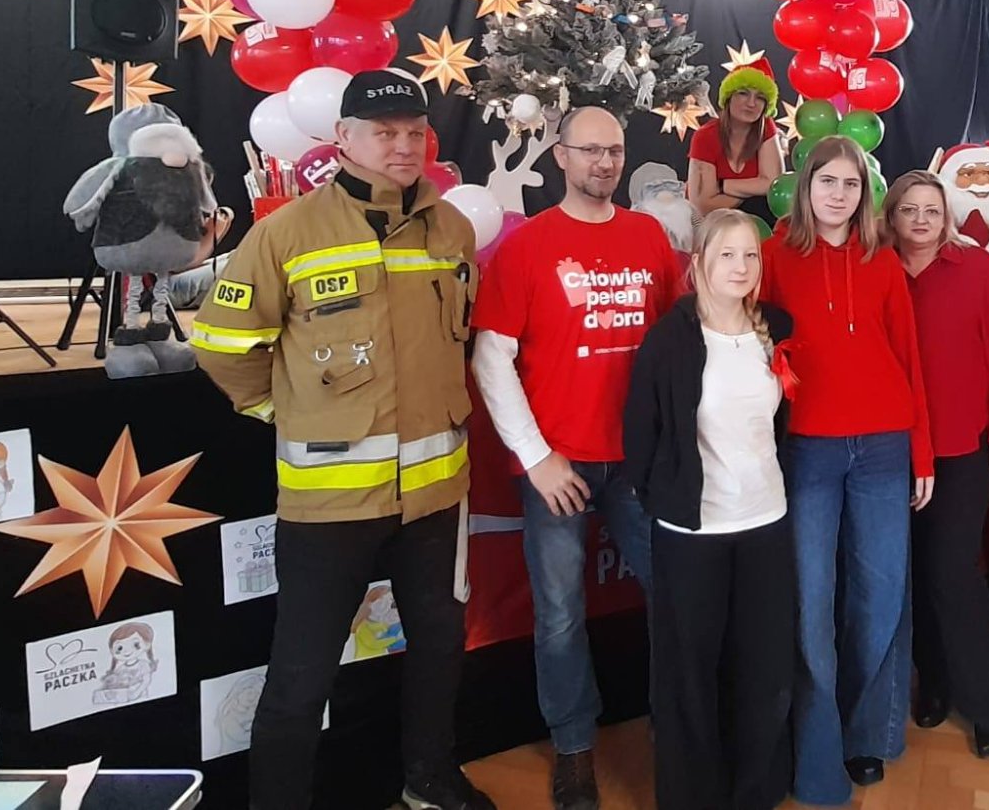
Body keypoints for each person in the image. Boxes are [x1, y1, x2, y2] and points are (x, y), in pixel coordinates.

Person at [192, 71, 492, 810]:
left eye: (414, 132)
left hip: (436, 494)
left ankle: (428, 779)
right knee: (302, 675)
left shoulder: (452, 230)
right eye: (384, 133)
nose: (403, 146)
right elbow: (223, 342)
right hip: (330, 503)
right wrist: (283, 410)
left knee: (439, 648)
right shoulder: (286, 233)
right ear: (344, 139)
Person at [471, 105, 680, 810]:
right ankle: (573, 749)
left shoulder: (647, 236)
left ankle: (677, 729)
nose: (604, 162)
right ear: (560, 156)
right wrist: (536, 458)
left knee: (675, 595)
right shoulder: (527, 246)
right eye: (589, 150)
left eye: (614, 150)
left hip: (639, 465)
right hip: (558, 467)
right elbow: (491, 359)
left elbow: (677, 342)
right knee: (559, 615)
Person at [759, 135, 931, 804]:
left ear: (866, 194)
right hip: (808, 451)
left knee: (880, 595)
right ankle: (816, 745)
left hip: (884, 447)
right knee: (811, 603)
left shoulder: (882, 260)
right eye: (827, 181)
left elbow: (908, 356)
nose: (839, 194)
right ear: (806, 188)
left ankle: (866, 735)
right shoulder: (774, 257)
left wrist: (921, 451)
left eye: (851, 184)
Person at [622, 209, 797, 810]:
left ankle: (755, 791)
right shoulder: (670, 339)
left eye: (750, 255)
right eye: (727, 254)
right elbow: (640, 432)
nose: (741, 266)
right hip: (692, 533)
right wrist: (664, 499)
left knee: (763, 668)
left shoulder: (776, 328)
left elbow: (782, 418)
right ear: (698, 263)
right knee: (690, 675)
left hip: (766, 522)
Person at [881, 171, 989, 760]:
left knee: (952, 572)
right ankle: (935, 684)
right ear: (891, 215)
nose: (921, 220)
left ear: (945, 216)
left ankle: (983, 703)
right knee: (914, 573)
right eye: (909, 210)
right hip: (891, 451)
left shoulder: (976, 270)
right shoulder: (877, 270)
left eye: (932, 210)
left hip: (964, 448)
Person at [687, 59, 783, 222]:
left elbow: (775, 186)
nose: (751, 103)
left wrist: (724, 186)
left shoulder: (766, 128)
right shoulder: (705, 136)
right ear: (728, 97)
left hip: (759, 221)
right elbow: (703, 206)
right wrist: (753, 194)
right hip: (713, 223)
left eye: (760, 97)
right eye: (743, 93)